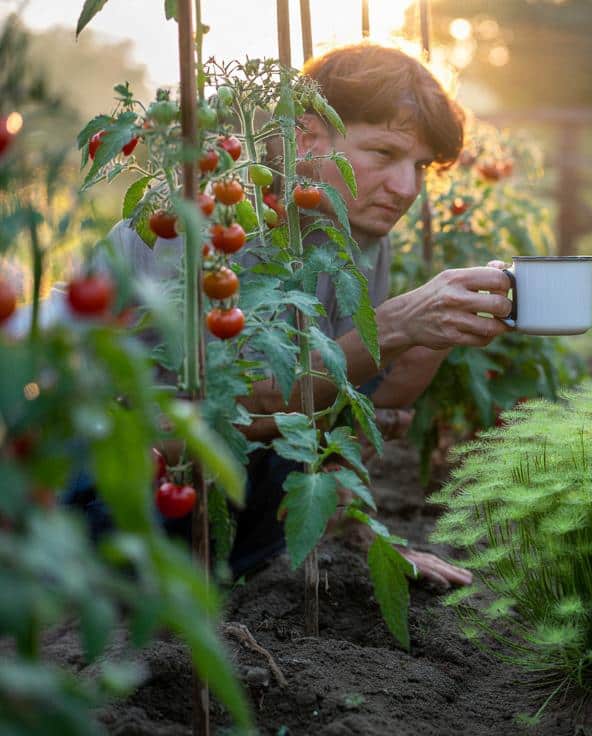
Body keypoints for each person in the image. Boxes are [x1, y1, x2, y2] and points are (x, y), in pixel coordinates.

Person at [84, 44, 511, 587]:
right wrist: (400, 323)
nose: (407, 190)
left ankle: (246, 562)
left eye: (421, 167)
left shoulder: (356, 231)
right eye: (384, 153)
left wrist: (441, 328)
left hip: (229, 510)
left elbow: (349, 396)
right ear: (306, 138)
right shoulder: (217, 227)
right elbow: (248, 403)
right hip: (112, 507)